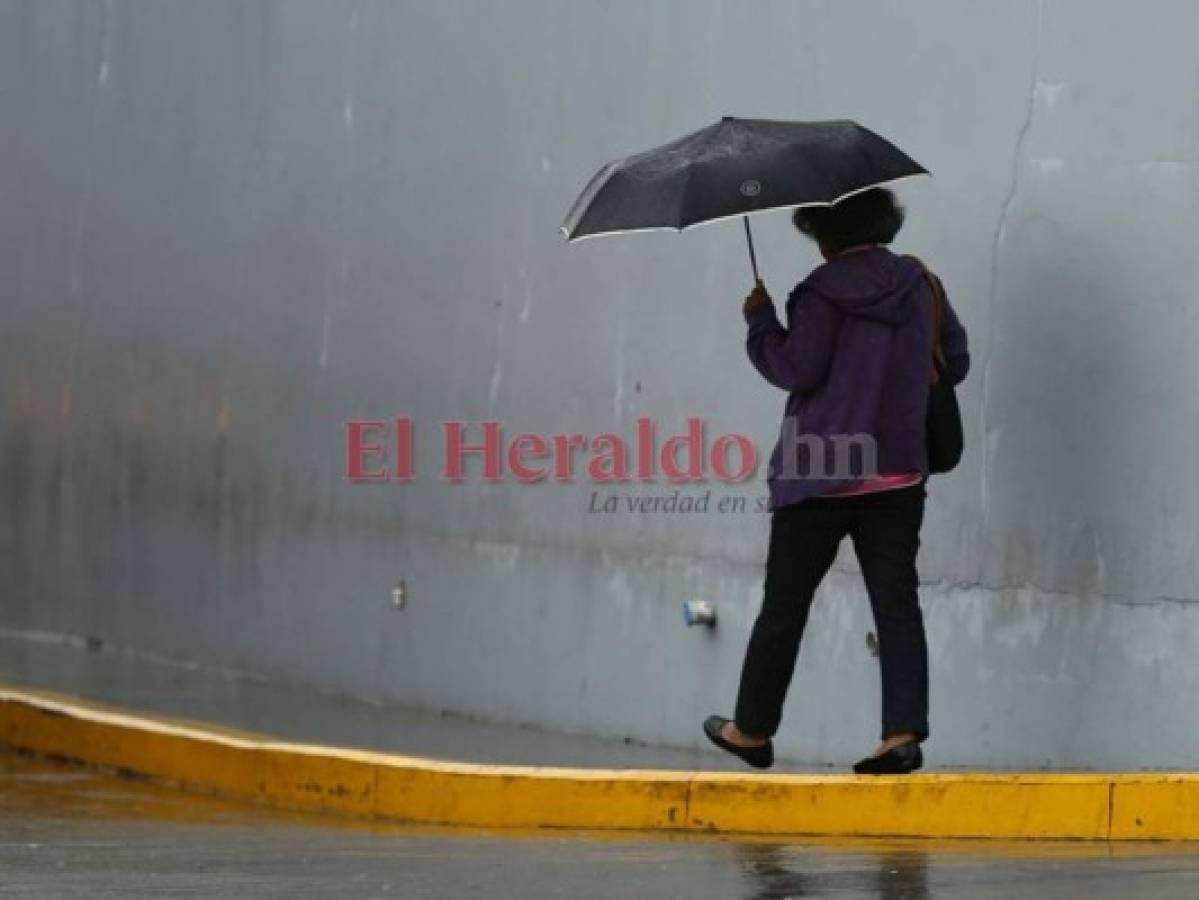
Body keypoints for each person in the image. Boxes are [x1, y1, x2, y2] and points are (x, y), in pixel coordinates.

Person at [703, 188, 969, 774]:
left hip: (818, 477)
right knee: (897, 607)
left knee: (785, 608)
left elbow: (795, 368)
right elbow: (957, 360)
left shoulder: (819, 294)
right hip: (898, 474)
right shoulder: (919, 282)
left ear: (824, 234)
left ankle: (751, 731)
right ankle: (901, 735)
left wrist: (759, 321)